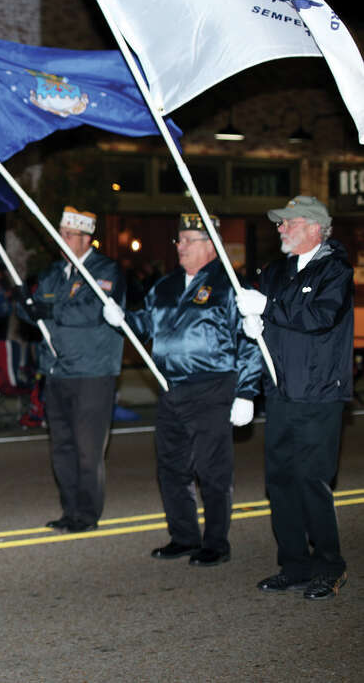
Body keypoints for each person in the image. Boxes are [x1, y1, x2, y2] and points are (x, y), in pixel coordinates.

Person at [103, 213, 260, 566]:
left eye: (189, 240)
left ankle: (216, 543)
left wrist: (246, 393)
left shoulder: (229, 285)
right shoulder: (167, 284)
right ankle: (184, 536)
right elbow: (147, 324)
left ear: (210, 245)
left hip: (212, 386)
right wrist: (123, 318)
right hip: (171, 387)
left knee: (212, 470)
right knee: (171, 468)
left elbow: (250, 342)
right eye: (180, 240)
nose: (181, 246)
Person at [236, 196, 353, 600]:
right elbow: (264, 332)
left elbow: (320, 318)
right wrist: (247, 388)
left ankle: (329, 566)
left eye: (289, 222)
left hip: (319, 394)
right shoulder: (275, 272)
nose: (280, 228)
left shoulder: (334, 270)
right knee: (281, 482)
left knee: (311, 481)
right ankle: (294, 565)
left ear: (316, 227)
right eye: (279, 223)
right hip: (282, 392)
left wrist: (268, 307)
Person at [16, 207, 124, 533]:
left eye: (68, 235)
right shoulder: (53, 273)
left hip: (91, 372)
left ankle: (87, 515)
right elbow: (33, 312)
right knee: (61, 447)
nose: (62, 240)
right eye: (60, 234)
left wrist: (50, 308)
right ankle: (69, 510)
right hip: (56, 370)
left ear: (86, 237)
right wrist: (25, 305)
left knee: (87, 449)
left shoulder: (104, 269)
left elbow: (92, 310)